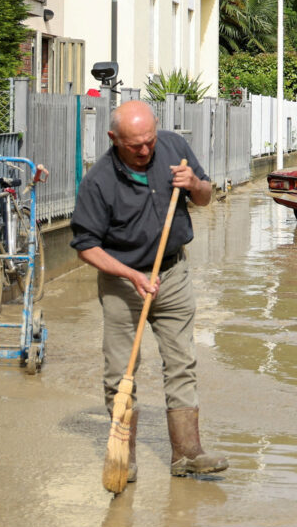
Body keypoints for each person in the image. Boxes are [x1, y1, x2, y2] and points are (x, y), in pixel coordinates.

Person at [72, 100, 230, 479]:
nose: (145, 150)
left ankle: (188, 454)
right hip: (123, 281)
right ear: (113, 139)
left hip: (172, 272)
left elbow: (207, 196)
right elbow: (85, 246)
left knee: (181, 363)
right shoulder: (99, 181)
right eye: (134, 145)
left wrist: (194, 184)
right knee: (119, 371)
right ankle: (123, 458)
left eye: (149, 140)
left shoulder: (174, 147)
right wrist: (131, 275)